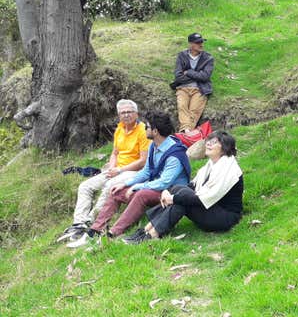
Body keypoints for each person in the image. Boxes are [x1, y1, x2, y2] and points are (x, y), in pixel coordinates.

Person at [67, 111, 191, 247]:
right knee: (115, 190)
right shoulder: (154, 146)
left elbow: (164, 182)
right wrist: (125, 184)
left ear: (155, 131)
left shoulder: (175, 154)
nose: (144, 129)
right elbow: (146, 171)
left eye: (147, 127)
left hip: (171, 192)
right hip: (157, 188)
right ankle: (95, 230)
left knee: (141, 194)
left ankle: (113, 233)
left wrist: (137, 187)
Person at [122, 131, 243, 244]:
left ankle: (152, 234)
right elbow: (192, 186)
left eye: (215, 142)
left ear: (224, 148)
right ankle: (146, 230)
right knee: (178, 189)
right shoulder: (212, 165)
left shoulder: (228, 169)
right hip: (211, 209)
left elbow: (203, 199)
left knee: (181, 202)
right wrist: (167, 191)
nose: (208, 144)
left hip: (224, 217)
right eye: (209, 141)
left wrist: (173, 199)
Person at [57, 99, 149, 242]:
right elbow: (115, 153)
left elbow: (143, 161)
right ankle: (79, 223)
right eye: (122, 113)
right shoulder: (120, 129)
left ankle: (92, 220)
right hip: (117, 169)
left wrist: (119, 170)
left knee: (109, 186)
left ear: (136, 114)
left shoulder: (142, 130)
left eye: (129, 112)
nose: (126, 115)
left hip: (134, 171)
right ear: (119, 115)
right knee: (85, 186)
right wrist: (112, 167)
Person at [171, 33, 214, 133]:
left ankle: (186, 132)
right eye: (198, 42)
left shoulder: (208, 58)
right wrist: (197, 76)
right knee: (182, 106)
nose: (201, 44)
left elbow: (205, 76)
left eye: (202, 42)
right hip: (183, 88)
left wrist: (188, 72)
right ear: (191, 44)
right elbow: (178, 76)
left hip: (200, 89)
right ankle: (188, 132)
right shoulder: (182, 56)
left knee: (194, 110)